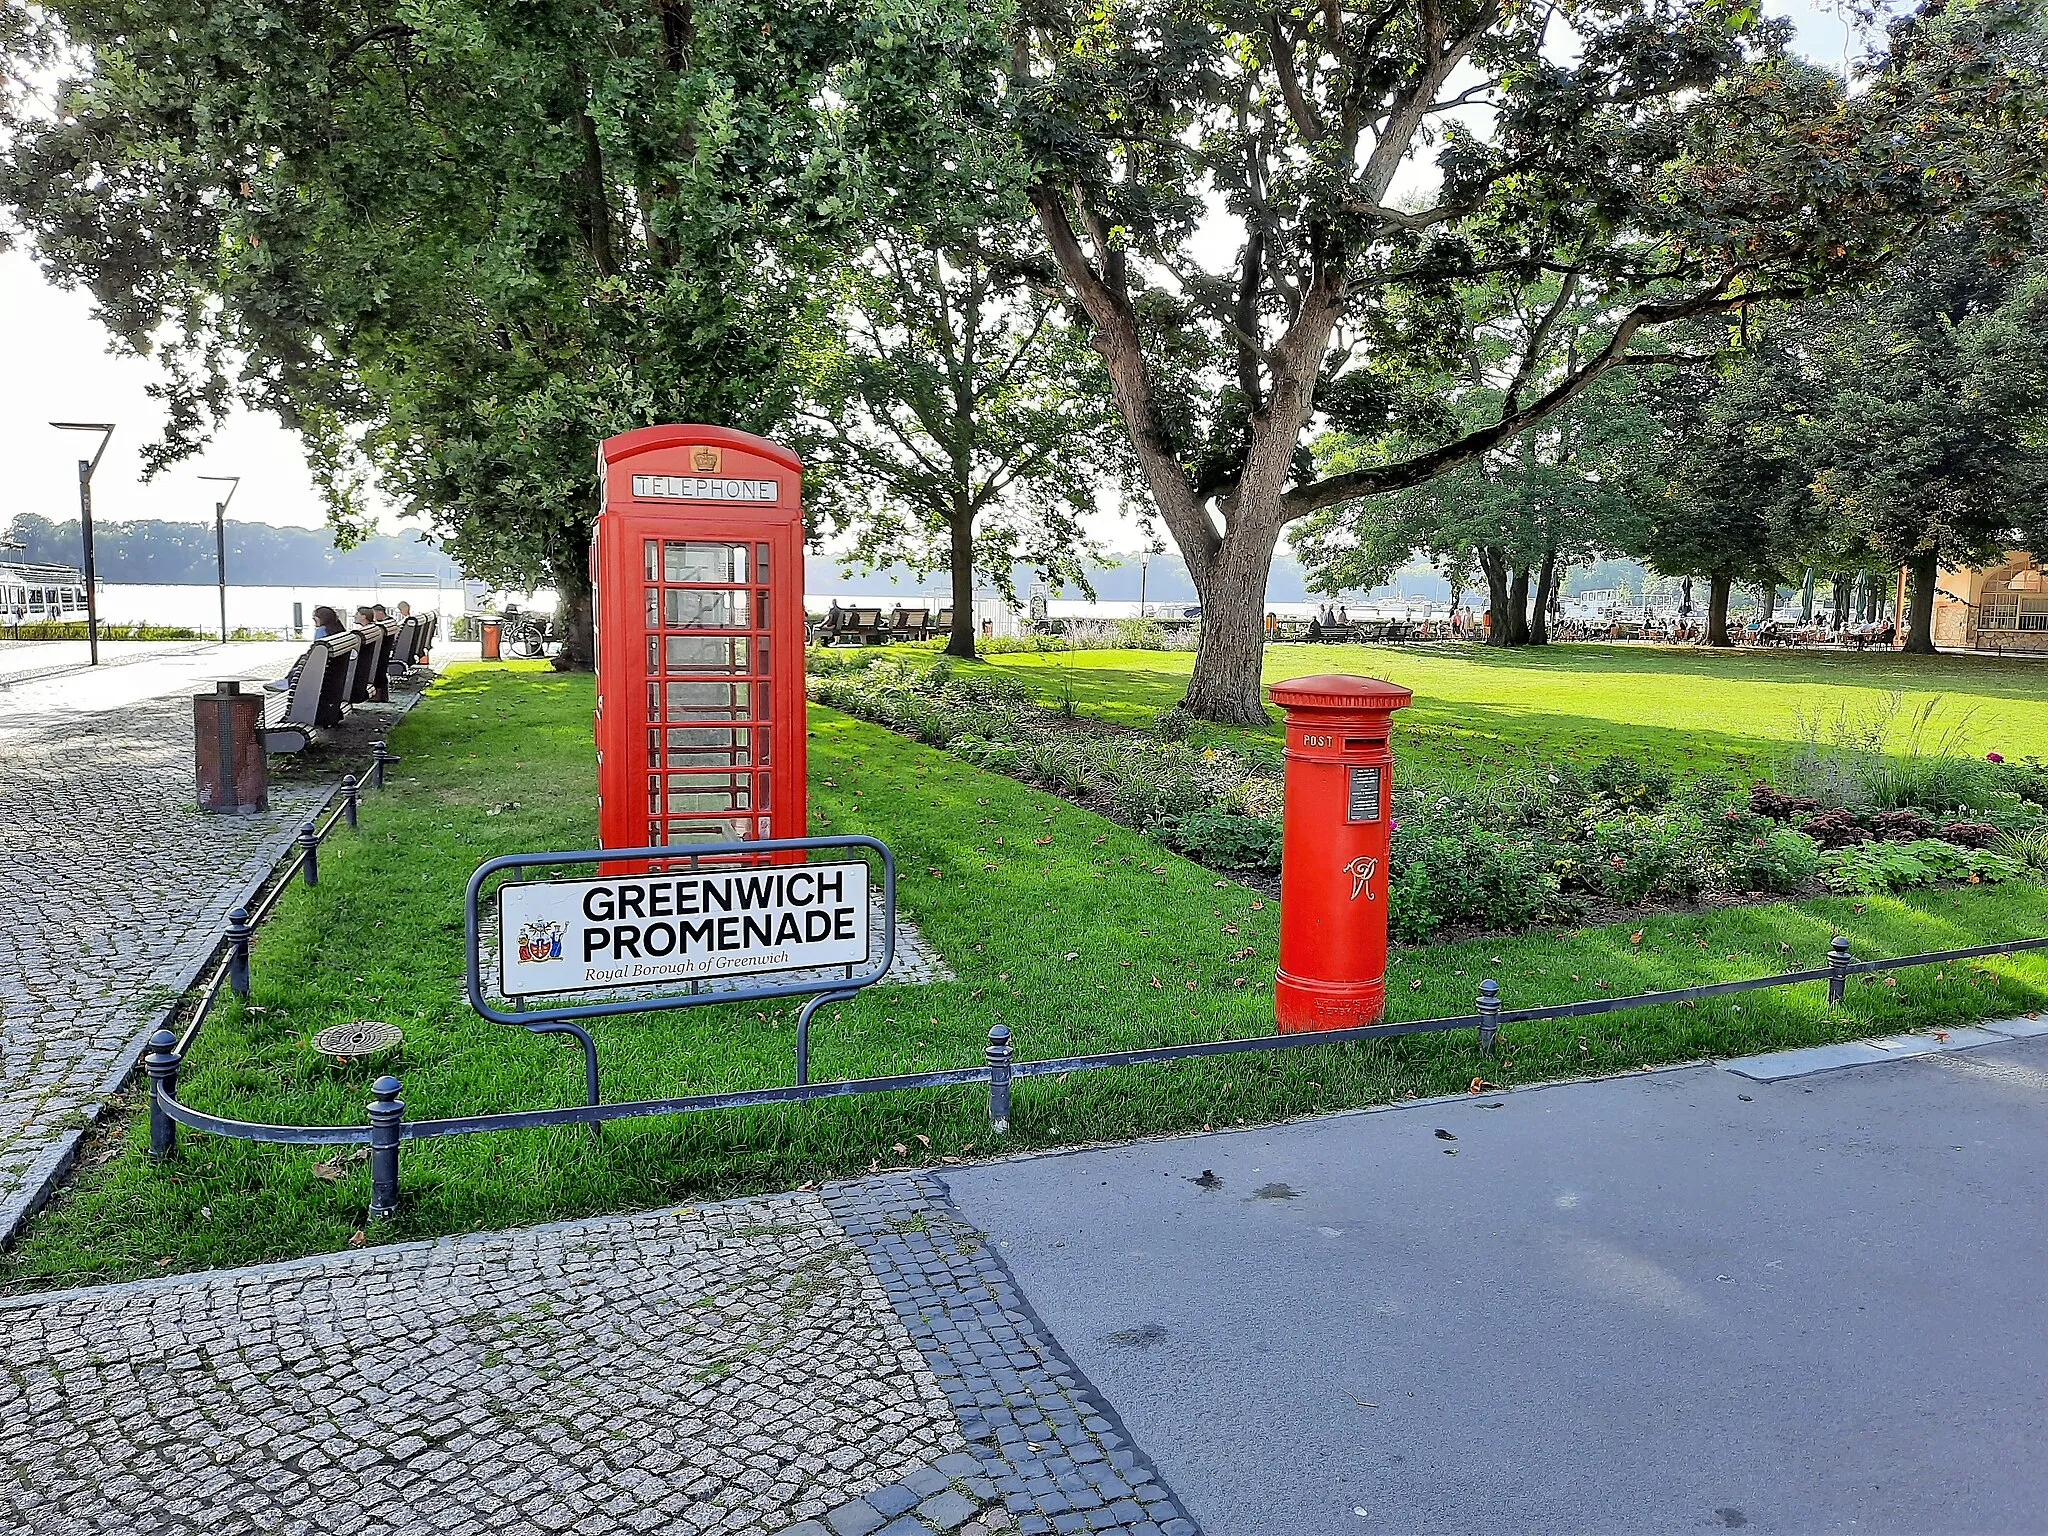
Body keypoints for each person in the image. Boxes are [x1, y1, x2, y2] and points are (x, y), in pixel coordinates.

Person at [266, 605, 344, 692]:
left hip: (324, 667)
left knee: (303, 660)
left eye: (314, 618)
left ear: (320, 618)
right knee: (303, 657)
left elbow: (317, 650)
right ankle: (286, 680)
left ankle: (287, 682)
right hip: (336, 666)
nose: (314, 621)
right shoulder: (339, 630)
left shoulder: (321, 630)